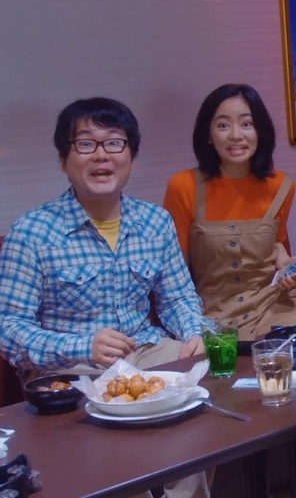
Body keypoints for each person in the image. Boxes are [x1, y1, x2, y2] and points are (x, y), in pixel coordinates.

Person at [0, 97, 211, 498]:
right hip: (70, 370)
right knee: (114, 448)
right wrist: (83, 346)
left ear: (132, 157)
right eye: (85, 144)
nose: (102, 155)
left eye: (114, 143)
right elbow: (9, 330)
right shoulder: (31, 233)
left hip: (146, 353)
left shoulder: (155, 222)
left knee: (199, 408)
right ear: (63, 160)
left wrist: (194, 332)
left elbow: (178, 298)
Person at [163, 84, 296, 341]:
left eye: (246, 124)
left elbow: (277, 244)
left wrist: (285, 266)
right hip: (212, 313)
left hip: (273, 306)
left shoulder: (282, 185)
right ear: (208, 135)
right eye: (223, 125)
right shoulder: (183, 186)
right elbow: (173, 272)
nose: (236, 135)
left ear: (260, 130)